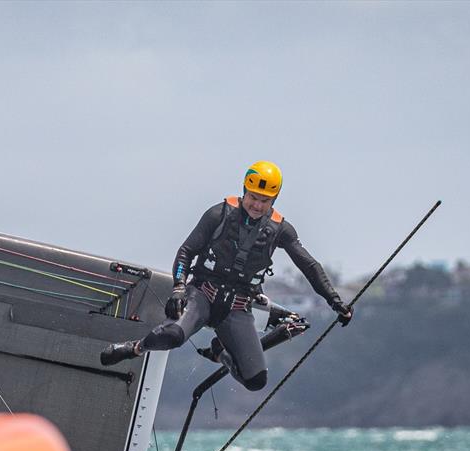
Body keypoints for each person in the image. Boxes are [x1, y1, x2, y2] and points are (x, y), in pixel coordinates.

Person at [100, 161, 353, 391]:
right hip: (202, 296)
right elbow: (186, 252)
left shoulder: (281, 230)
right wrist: (178, 288)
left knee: (256, 380)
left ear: (274, 200)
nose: (257, 205)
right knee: (173, 336)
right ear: (244, 191)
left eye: (265, 200)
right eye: (253, 197)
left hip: (237, 310)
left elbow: (309, 266)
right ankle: (134, 347)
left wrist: (335, 301)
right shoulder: (219, 214)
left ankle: (220, 352)